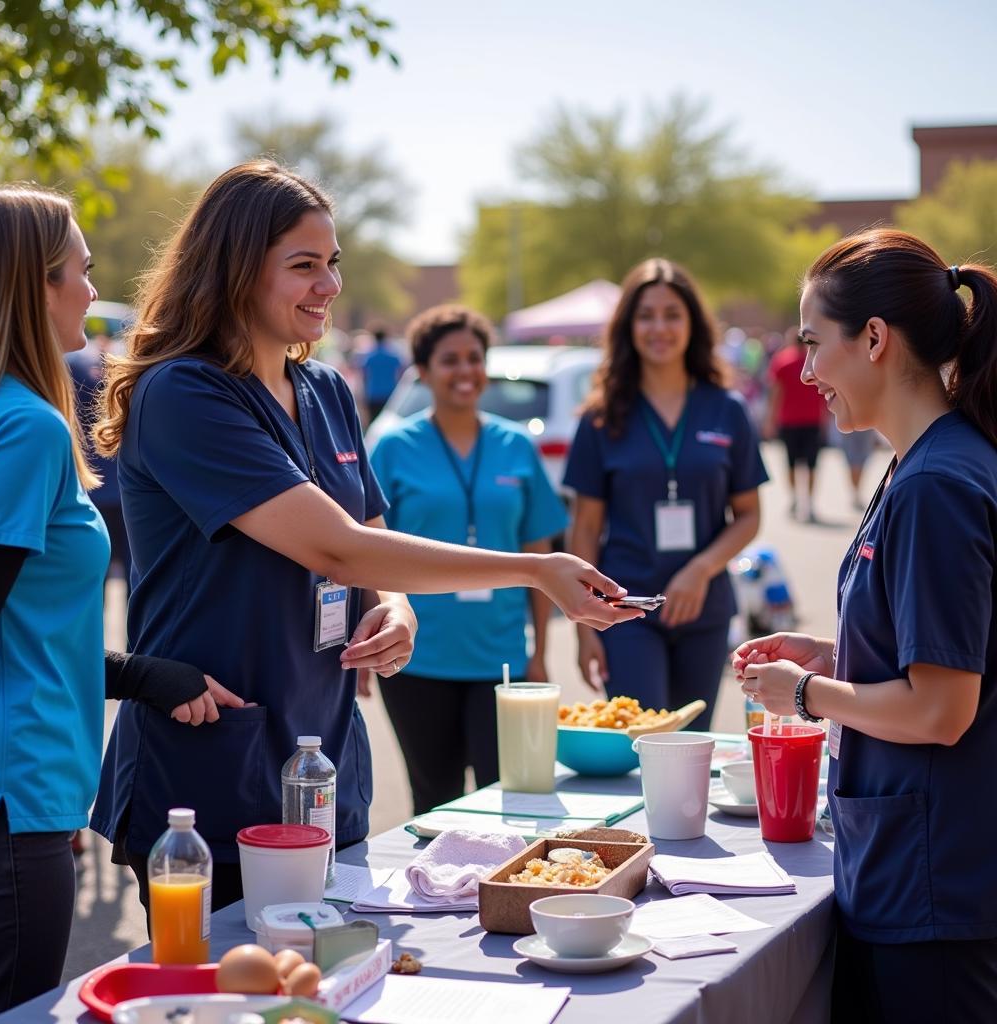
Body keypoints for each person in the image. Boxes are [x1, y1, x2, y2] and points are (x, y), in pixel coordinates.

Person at [88, 161, 639, 917]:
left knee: (334, 979)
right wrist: (535, 570)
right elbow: (337, 547)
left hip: (322, 751)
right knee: (236, 987)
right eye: (304, 266)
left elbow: (373, 549)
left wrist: (399, 611)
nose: (329, 286)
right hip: (213, 751)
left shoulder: (324, 391)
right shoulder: (185, 392)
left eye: (333, 263)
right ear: (236, 270)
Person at [0, 185, 242, 1021]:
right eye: (82, 271)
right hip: (8, 801)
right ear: (33, 284)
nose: (94, 291)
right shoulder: (26, 428)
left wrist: (141, 674)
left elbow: (16, 629)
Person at [734, 229, 997, 1024]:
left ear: (874, 340)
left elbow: (940, 710)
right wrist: (834, 651)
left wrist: (807, 691)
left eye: (815, 346)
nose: (806, 372)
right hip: (920, 872)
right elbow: (936, 645)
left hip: (934, 889)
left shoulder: (937, 484)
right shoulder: (921, 464)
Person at [368, 304, 567, 815]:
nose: (465, 371)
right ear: (424, 371)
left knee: (512, 802)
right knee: (435, 804)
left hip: (501, 659)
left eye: (474, 358)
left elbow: (539, 552)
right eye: (450, 360)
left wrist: (539, 651)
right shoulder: (392, 447)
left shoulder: (517, 445)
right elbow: (364, 551)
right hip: (417, 658)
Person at [564, 258, 767, 731]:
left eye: (672, 314)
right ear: (628, 327)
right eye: (646, 315)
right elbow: (587, 526)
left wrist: (700, 569)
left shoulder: (727, 409)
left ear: (692, 323)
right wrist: (583, 626)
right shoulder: (600, 417)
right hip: (626, 608)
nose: (660, 327)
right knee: (646, 743)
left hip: (705, 608)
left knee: (692, 747)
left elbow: (749, 515)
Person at [67, 332, 132, 585]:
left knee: (95, 574)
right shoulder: (126, 367)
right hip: (122, 483)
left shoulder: (74, 366)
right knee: (132, 570)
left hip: (91, 482)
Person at [765, 325, 827, 521]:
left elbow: (776, 394)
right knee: (811, 464)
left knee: (792, 463)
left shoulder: (782, 360)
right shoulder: (814, 362)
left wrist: (770, 419)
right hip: (810, 420)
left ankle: (797, 499)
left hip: (791, 420)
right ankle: (807, 502)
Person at [361, 324, 404, 421]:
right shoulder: (393, 356)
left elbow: (364, 376)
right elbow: (401, 374)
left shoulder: (369, 357)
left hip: (373, 394)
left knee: (374, 423)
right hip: (390, 394)